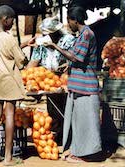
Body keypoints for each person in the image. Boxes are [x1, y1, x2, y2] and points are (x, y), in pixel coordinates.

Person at [44, 6, 102, 162]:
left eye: (69, 21)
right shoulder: (82, 34)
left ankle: (85, 154)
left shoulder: (87, 35)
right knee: (78, 122)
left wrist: (55, 47)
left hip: (86, 87)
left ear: (75, 20)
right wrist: (68, 66)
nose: (68, 24)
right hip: (78, 86)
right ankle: (77, 150)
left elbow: (77, 58)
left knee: (86, 123)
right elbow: (77, 59)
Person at [27, 16, 75, 145]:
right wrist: (28, 76)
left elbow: (73, 59)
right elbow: (34, 61)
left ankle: (68, 134)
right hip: (47, 80)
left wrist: (66, 67)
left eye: (49, 33)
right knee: (53, 108)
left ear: (56, 32)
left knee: (66, 107)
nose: (46, 36)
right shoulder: (42, 43)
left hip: (65, 79)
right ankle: (57, 132)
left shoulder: (68, 40)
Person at [0, 5, 28, 166]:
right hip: (10, 79)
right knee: (10, 114)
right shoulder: (9, 38)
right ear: (5, 19)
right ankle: (8, 157)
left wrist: (22, 45)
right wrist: (23, 53)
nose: (13, 23)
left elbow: (5, 52)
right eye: (12, 20)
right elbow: (20, 60)